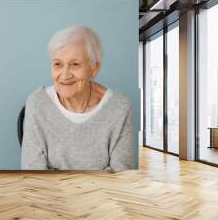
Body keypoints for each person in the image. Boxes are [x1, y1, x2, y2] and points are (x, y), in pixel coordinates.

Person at [21, 25, 134, 171]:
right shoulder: (37, 103)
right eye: (57, 64)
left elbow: (121, 174)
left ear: (94, 68)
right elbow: (33, 173)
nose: (65, 74)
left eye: (75, 64)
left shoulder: (119, 108)